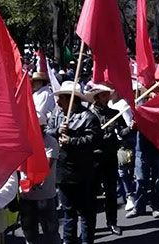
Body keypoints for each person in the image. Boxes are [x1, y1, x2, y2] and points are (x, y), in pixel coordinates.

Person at [46, 81, 100, 244]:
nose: (57, 102)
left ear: (71, 99)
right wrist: (57, 131)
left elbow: (94, 140)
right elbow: (47, 131)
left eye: (61, 98)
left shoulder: (88, 117)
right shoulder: (56, 114)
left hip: (83, 171)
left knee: (85, 211)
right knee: (68, 211)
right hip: (63, 170)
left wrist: (72, 141)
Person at [86, 83, 129, 236]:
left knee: (111, 192)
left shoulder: (114, 113)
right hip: (93, 158)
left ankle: (112, 222)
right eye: (103, 95)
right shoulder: (88, 115)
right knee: (91, 193)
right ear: (96, 97)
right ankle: (90, 225)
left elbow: (122, 132)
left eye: (106, 94)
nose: (106, 97)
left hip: (110, 156)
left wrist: (130, 128)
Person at [20, 110, 61, 244]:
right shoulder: (23, 142)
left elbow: (46, 167)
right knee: (29, 232)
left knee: (50, 233)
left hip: (45, 196)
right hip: (26, 196)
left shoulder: (50, 142)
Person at [127, 88, 159, 219]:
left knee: (157, 181)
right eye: (151, 96)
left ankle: (156, 207)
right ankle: (139, 207)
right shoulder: (140, 110)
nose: (153, 98)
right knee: (140, 180)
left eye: (156, 96)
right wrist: (132, 127)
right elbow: (130, 129)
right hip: (142, 150)